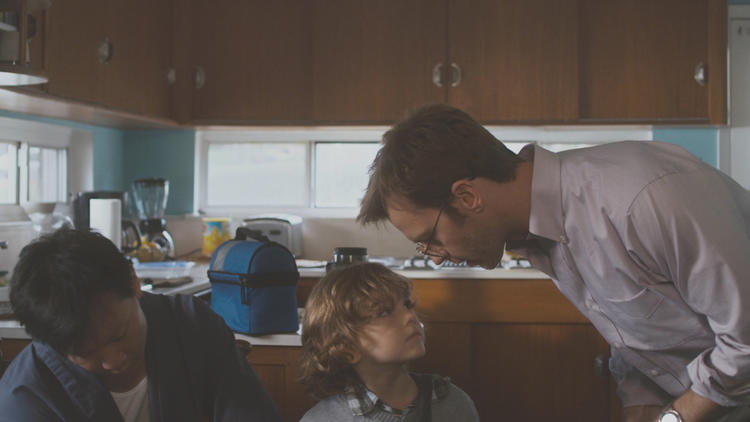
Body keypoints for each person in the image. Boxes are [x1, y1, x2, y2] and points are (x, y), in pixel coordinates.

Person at [357, 104, 750, 422]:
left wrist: (674, 419)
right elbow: (636, 330)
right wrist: (644, 409)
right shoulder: (539, 235)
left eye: (431, 239)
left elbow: (746, 338)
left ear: (467, 198)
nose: (438, 257)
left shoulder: (639, 200)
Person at [0, 228, 282, 422]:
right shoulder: (26, 398)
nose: (112, 361)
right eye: (86, 354)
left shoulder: (190, 325)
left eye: (118, 337)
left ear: (133, 281)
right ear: (53, 344)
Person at [298, 262, 479, 422]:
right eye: (384, 312)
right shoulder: (324, 419)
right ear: (345, 345)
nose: (410, 316)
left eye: (407, 305)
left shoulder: (451, 402)